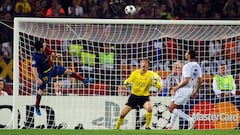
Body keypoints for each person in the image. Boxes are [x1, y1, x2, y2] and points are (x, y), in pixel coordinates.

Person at [32, 40, 93, 116]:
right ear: (40, 48)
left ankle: (84, 80)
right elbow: (34, 69)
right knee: (42, 91)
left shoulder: (45, 48)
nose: (44, 45)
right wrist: (37, 79)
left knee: (68, 71)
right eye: (43, 45)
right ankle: (37, 106)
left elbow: (52, 53)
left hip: (53, 69)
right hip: (44, 75)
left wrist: (56, 55)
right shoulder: (35, 57)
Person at [115, 59, 162, 130]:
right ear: (140, 65)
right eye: (142, 63)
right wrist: (124, 86)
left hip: (144, 97)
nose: (144, 64)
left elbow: (159, 86)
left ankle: (147, 126)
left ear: (148, 66)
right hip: (134, 97)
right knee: (122, 114)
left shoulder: (152, 75)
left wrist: (155, 82)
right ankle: (117, 128)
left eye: (145, 63)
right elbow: (128, 81)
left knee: (149, 108)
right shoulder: (135, 73)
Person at [164, 49, 202, 130]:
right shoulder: (197, 65)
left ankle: (189, 119)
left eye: (186, 52)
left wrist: (177, 87)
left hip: (183, 89)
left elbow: (186, 80)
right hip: (190, 89)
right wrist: (196, 91)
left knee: (171, 108)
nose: (185, 53)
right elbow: (200, 80)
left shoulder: (187, 66)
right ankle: (170, 126)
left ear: (189, 55)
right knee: (175, 106)